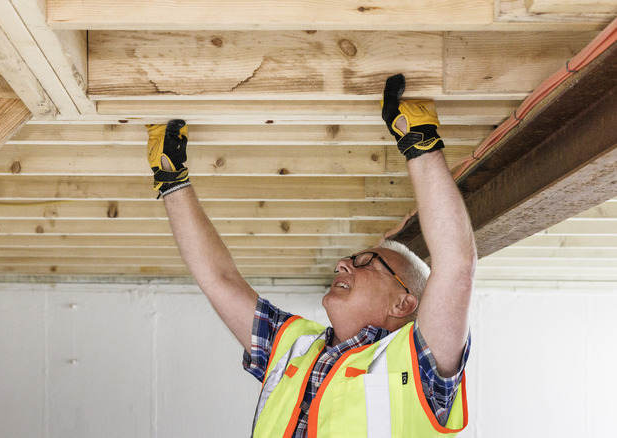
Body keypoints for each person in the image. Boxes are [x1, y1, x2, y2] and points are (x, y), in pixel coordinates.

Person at [145, 74, 477, 437]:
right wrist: (172, 179)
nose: (342, 264)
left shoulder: (420, 367)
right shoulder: (296, 345)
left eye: (365, 261)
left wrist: (421, 145)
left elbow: (456, 268)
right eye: (358, 260)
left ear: (403, 304)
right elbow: (219, 279)